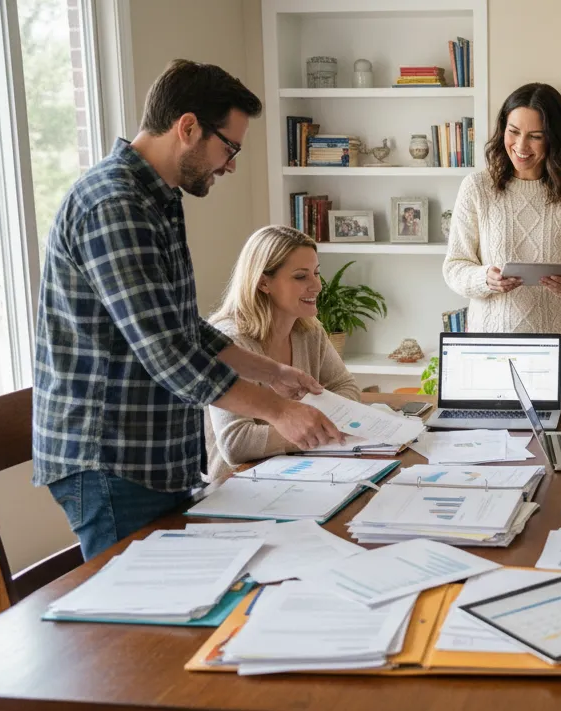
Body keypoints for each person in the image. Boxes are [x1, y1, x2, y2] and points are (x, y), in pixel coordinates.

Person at [33, 61, 343, 560]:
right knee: (136, 623)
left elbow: (182, 327)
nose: (231, 165)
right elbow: (168, 354)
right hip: (114, 457)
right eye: (230, 147)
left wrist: (272, 372)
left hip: (157, 457)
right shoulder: (114, 205)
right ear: (189, 127)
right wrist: (279, 412)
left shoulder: (157, 199)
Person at [443, 82, 561, 399]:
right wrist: (485, 279)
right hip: (490, 351)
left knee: (560, 443)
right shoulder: (477, 187)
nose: (521, 145)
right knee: (492, 445)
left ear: (554, 137)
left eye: (535, 136)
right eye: (513, 131)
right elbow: (455, 266)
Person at [204, 225, 365, 482]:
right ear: (263, 282)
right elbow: (236, 443)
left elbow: (346, 387)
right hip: (240, 488)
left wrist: (311, 423)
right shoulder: (229, 342)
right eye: (301, 277)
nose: (317, 286)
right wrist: (313, 428)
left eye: (316, 273)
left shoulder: (309, 331)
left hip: (308, 473)